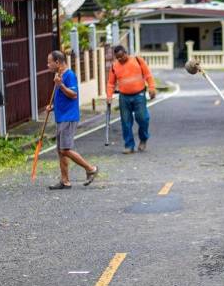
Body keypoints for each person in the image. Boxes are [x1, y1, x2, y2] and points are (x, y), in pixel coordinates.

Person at [46, 50, 98, 190]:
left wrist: (61, 85)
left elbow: (73, 94)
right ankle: (65, 181)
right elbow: (63, 98)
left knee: (65, 149)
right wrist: (53, 107)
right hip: (61, 117)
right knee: (60, 150)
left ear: (57, 62)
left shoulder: (69, 75)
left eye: (49, 62)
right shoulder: (59, 75)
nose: (48, 65)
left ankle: (91, 169)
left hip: (69, 117)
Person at [106, 45, 156, 154]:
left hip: (139, 95)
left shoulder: (138, 60)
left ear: (125, 53)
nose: (120, 59)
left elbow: (148, 75)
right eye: (117, 57)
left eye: (121, 56)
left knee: (143, 118)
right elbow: (110, 83)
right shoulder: (115, 66)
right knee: (126, 122)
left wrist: (152, 88)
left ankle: (143, 138)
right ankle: (129, 145)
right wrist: (109, 96)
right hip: (124, 97)